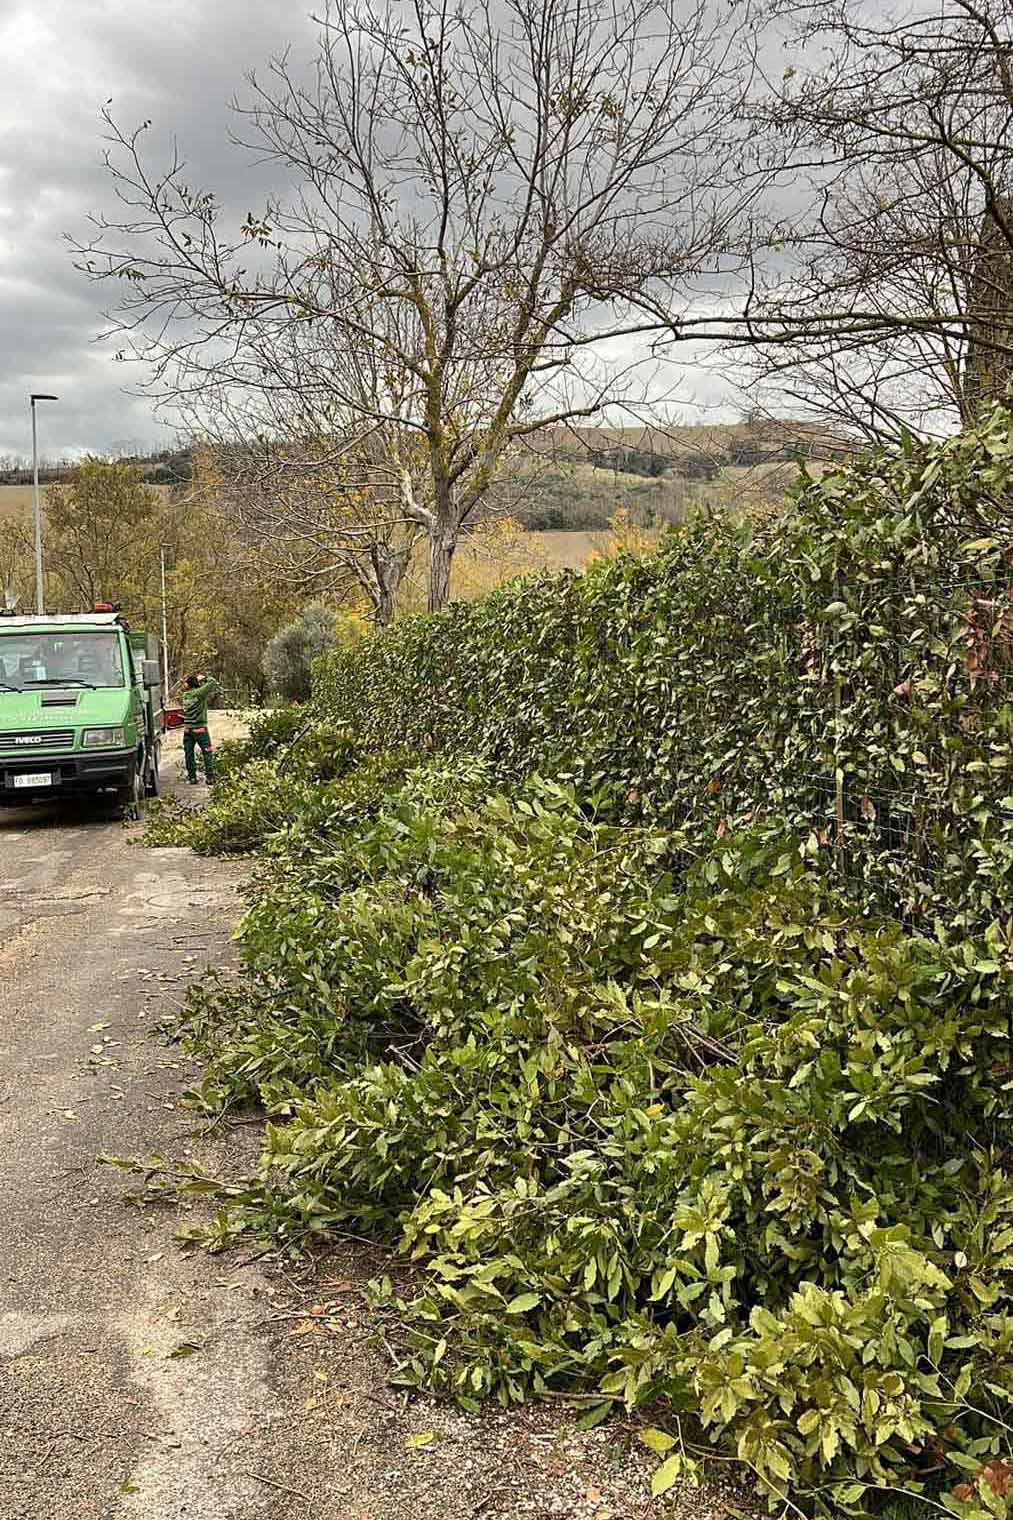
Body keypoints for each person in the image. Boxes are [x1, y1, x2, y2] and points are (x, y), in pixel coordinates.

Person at [181, 672, 221, 785]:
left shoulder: (185, 696)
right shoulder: (199, 693)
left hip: (187, 730)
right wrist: (204, 678)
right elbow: (213, 682)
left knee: (189, 754)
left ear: (189, 685)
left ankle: (192, 777)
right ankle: (210, 777)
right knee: (207, 752)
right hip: (200, 729)